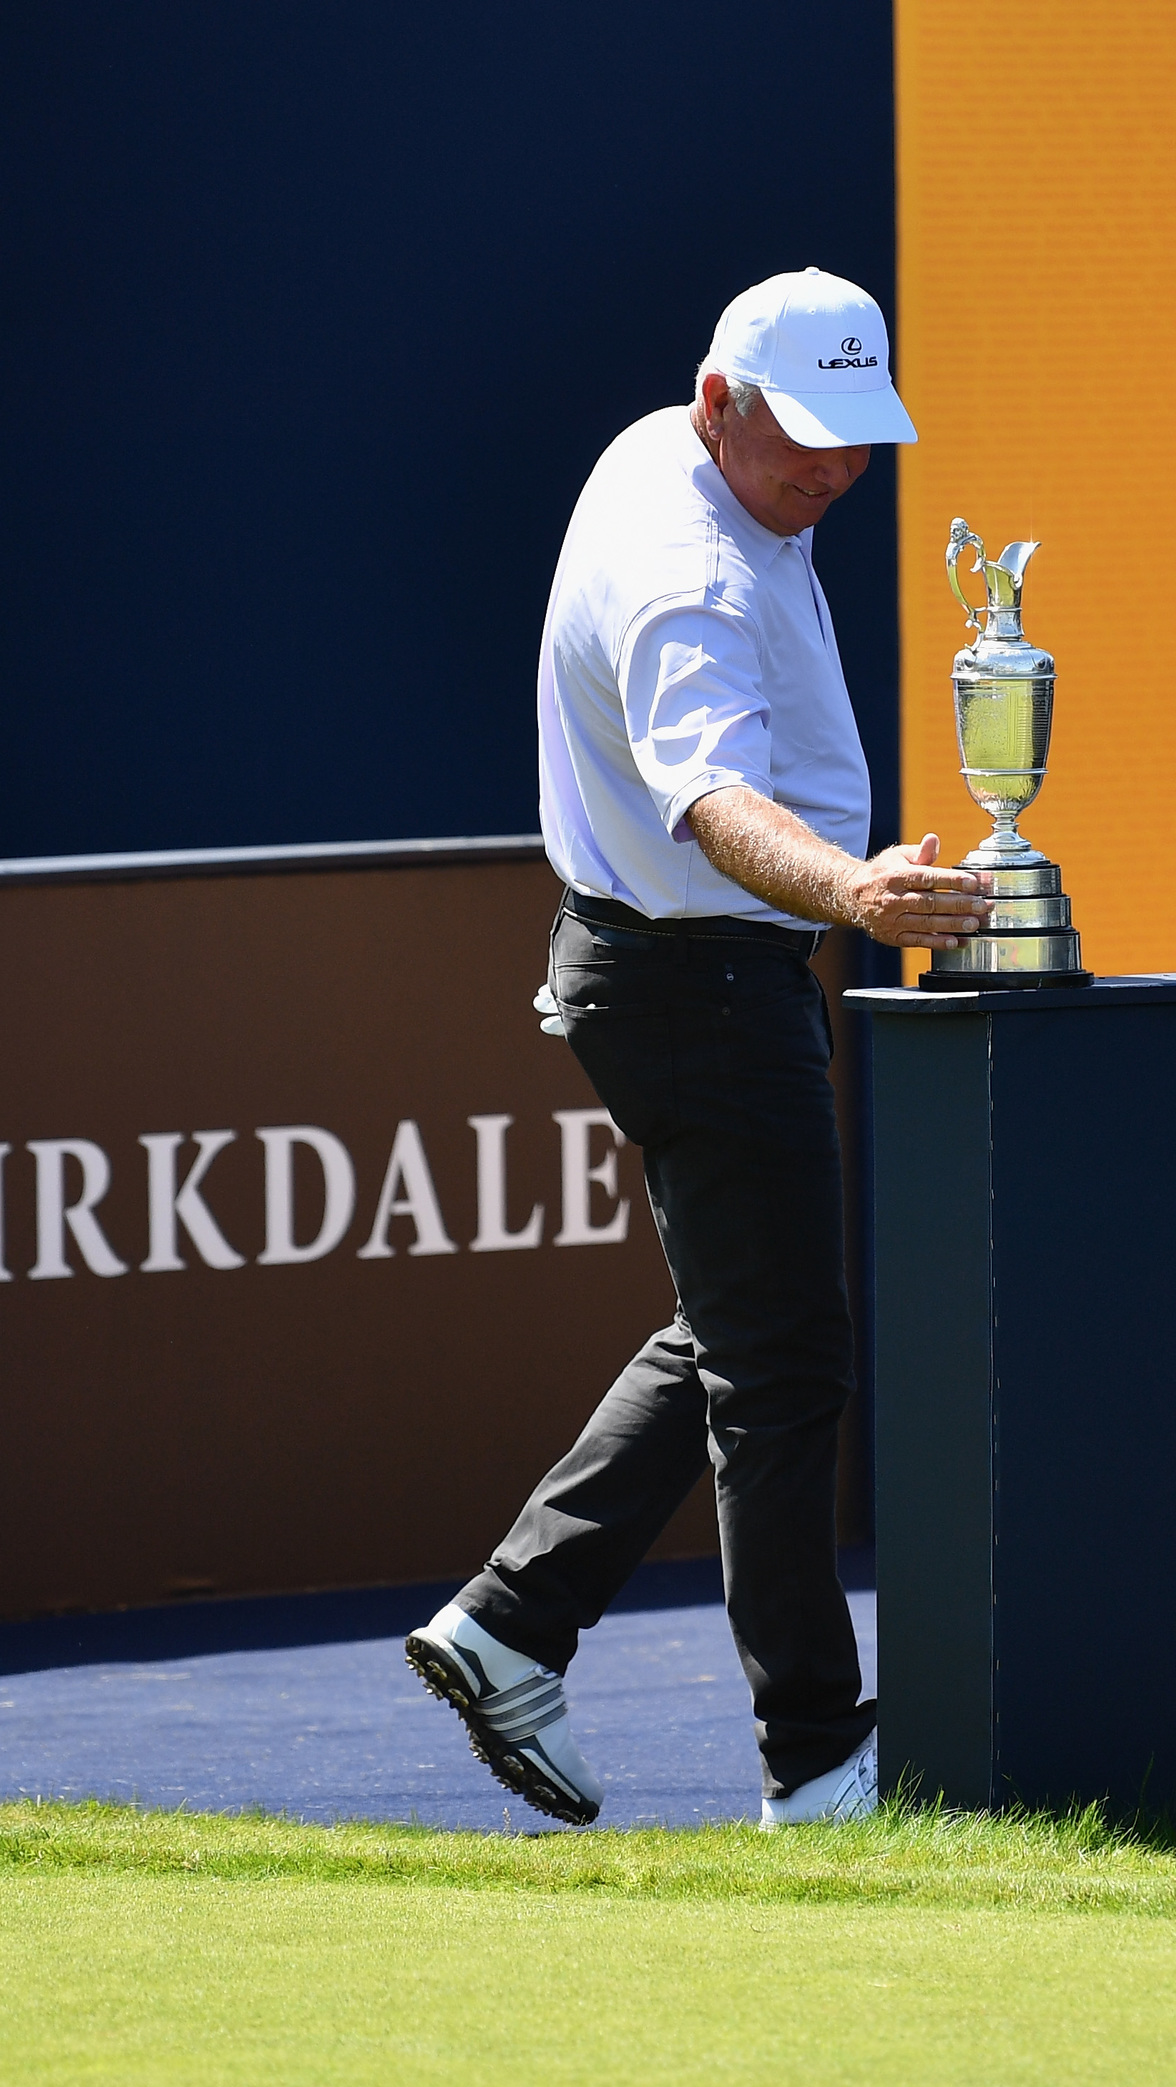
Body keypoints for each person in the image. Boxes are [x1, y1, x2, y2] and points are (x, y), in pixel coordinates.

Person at [406, 268, 988, 1829]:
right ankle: (816, 1755)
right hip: (696, 980)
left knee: (746, 1330)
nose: (835, 471)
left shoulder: (677, 455)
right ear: (717, 401)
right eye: (802, 435)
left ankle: (513, 1621)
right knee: (786, 1366)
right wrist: (858, 889)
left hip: (671, 969)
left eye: (858, 438)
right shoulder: (690, 573)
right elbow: (711, 805)